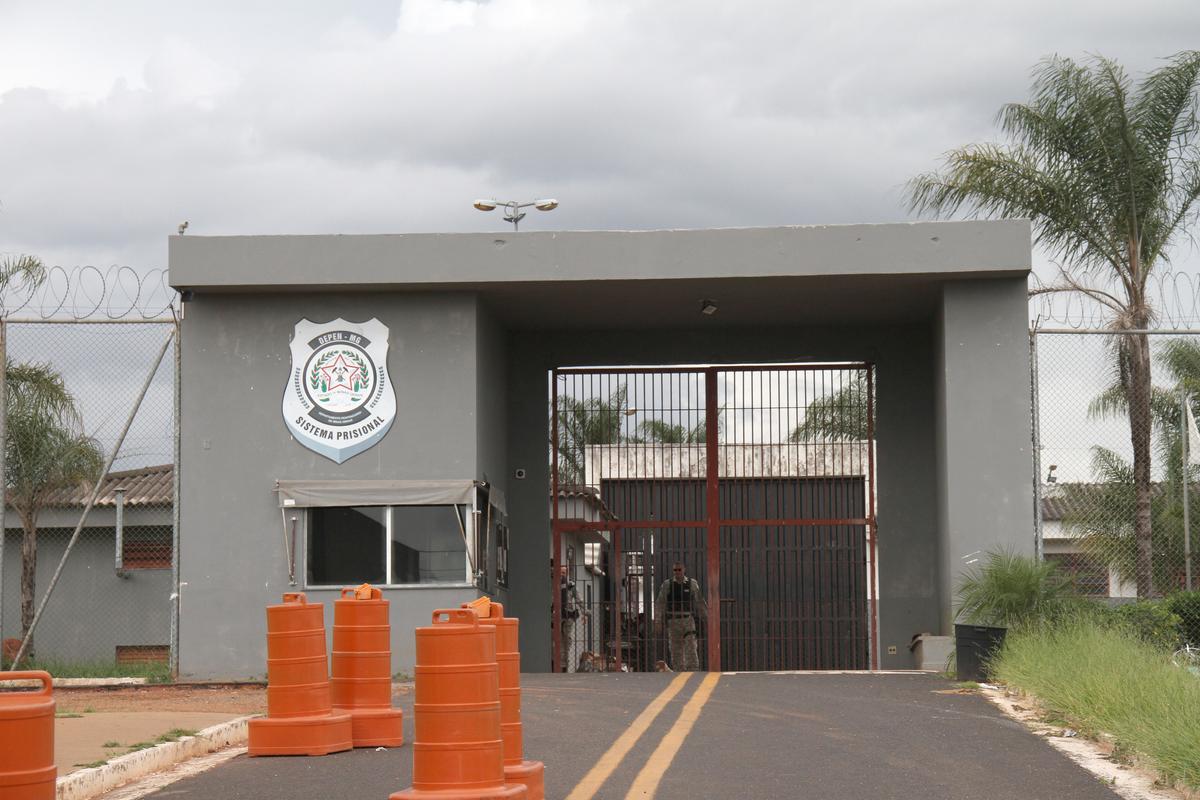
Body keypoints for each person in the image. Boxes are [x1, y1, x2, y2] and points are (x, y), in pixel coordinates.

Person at [653, 562, 708, 671]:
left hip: (688, 620)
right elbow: (660, 603)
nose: (677, 572)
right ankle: (679, 673)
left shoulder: (692, 583)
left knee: (691, 647)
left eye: (679, 570)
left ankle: (693, 671)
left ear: (684, 570)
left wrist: (706, 618)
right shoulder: (667, 585)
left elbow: (700, 602)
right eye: (675, 570)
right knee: (675, 650)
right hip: (673, 621)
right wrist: (658, 621)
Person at [558, 565, 589, 672]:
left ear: (567, 574)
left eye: (563, 573)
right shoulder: (552, 584)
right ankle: (555, 664)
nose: (562, 575)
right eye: (560, 572)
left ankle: (563, 666)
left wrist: (585, 612)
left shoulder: (571, 585)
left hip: (568, 616)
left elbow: (579, 599)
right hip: (554, 617)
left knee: (566, 641)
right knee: (555, 641)